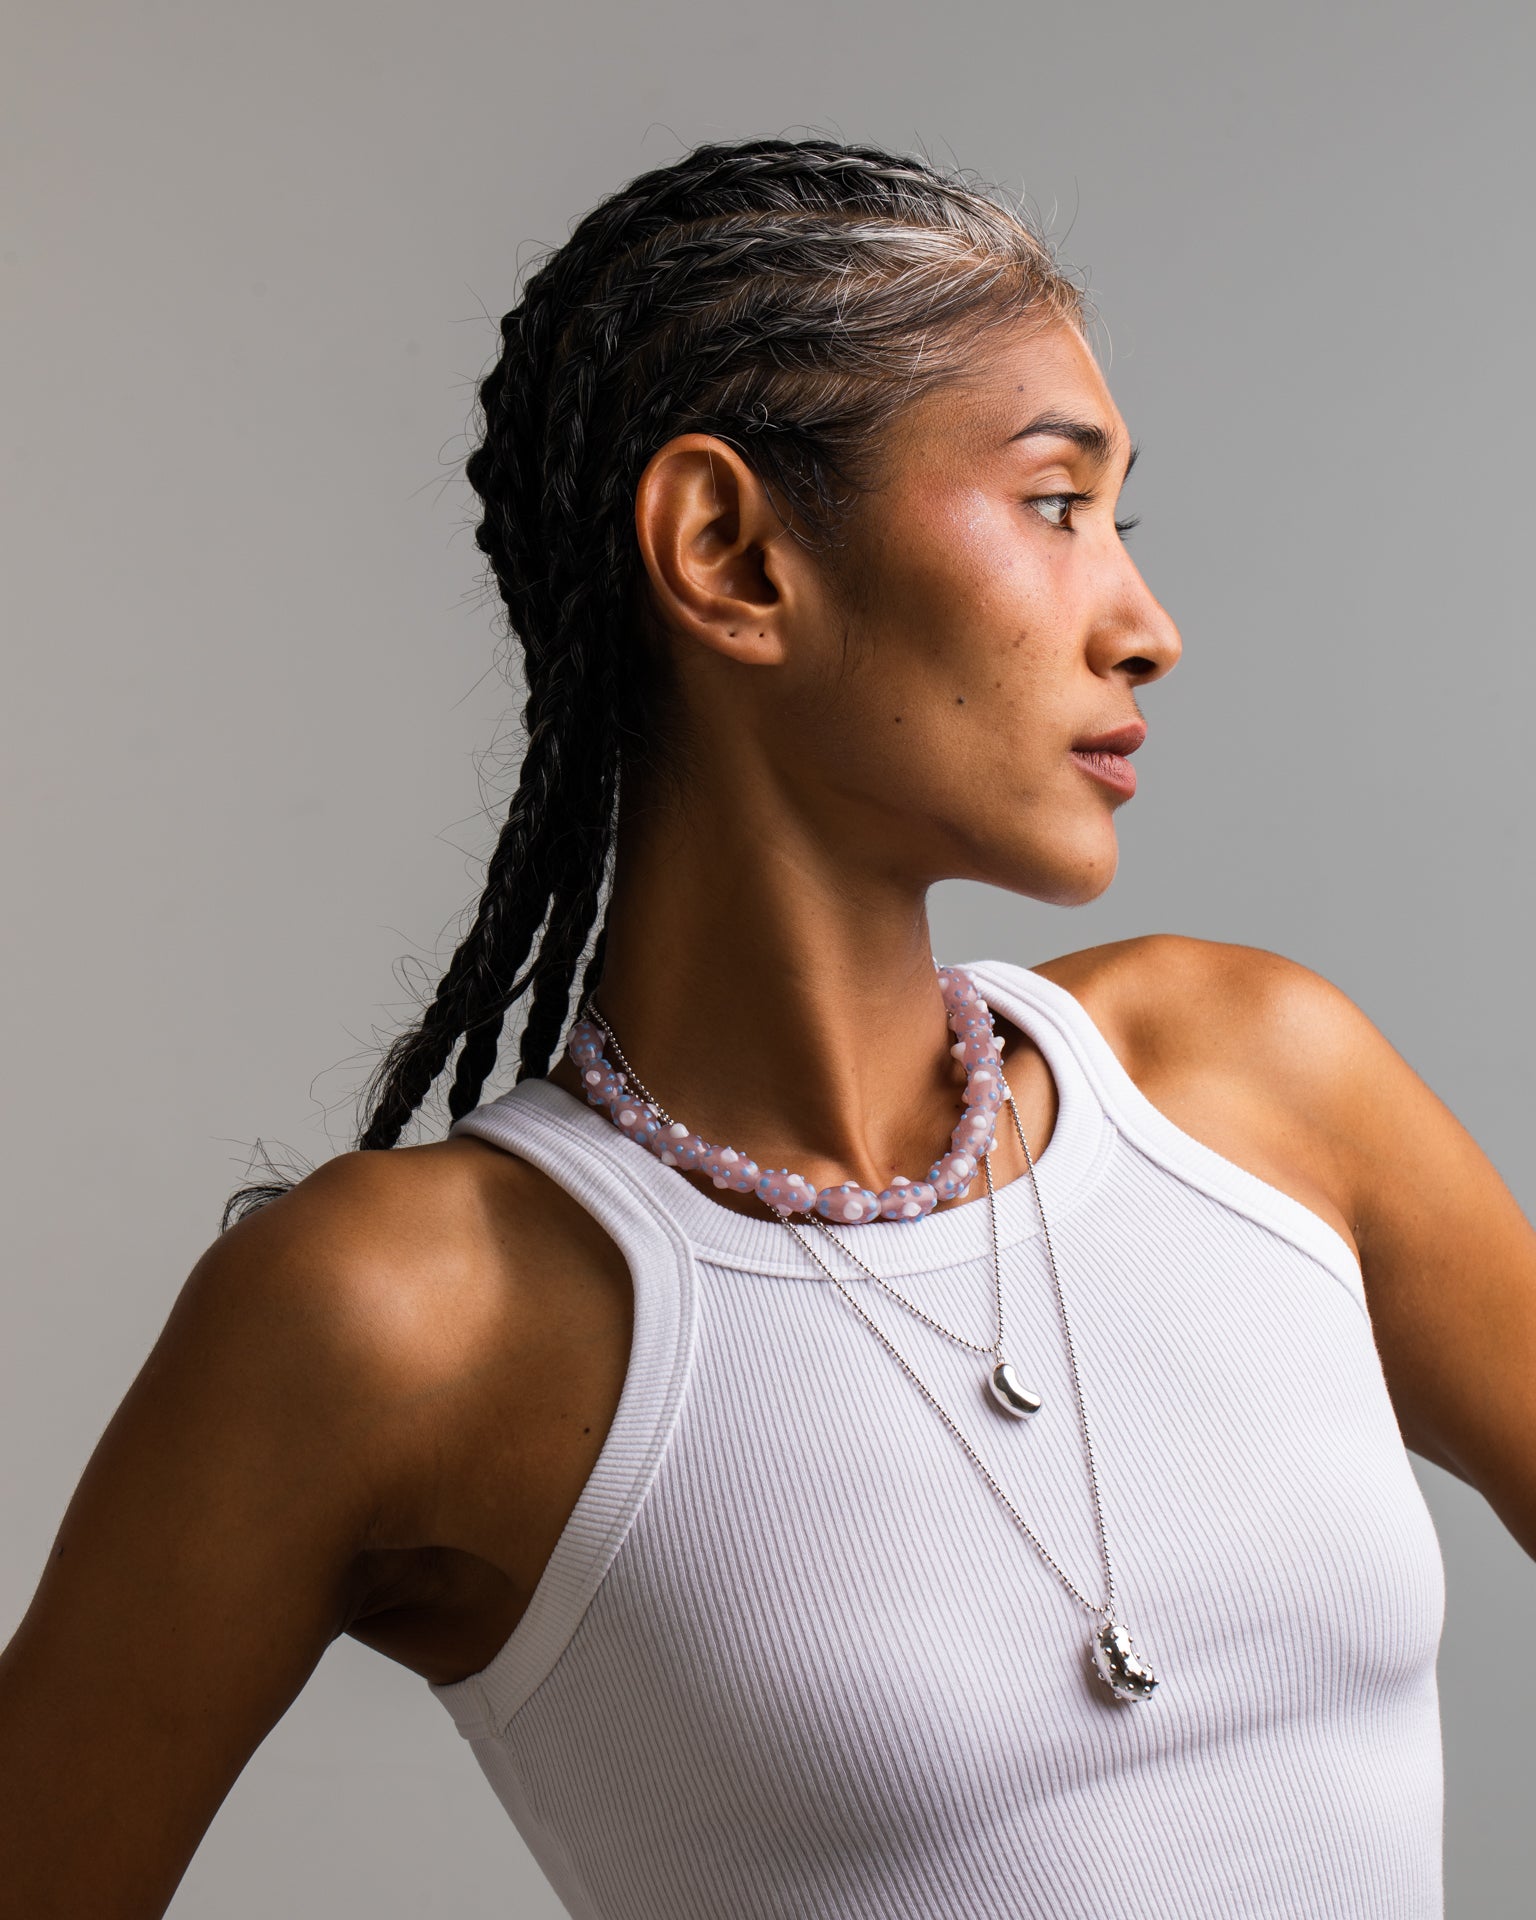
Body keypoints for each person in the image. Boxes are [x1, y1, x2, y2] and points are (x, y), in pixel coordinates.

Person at [1, 134, 1531, 1920]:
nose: (1148, 626)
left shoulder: (1257, 1083)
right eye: (1056, 503)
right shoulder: (409, 1317)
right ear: (728, 551)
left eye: (1124, 519)